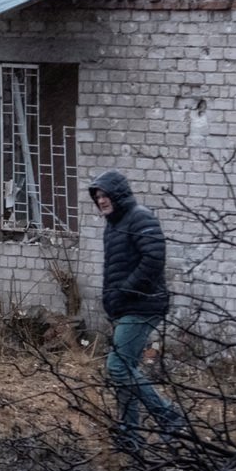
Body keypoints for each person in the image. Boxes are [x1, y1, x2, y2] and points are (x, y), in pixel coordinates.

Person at [87, 170, 184, 451]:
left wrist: (125, 292)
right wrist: (113, 301)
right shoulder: (113, 224)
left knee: (118, 367)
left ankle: (170, 417)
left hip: (144, 304)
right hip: (126, 306)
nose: (102, 201)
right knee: (125, 368)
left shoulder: (139, 217)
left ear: (118, 194)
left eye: (106, 195)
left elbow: (154, 259)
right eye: (98, 197)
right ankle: (130, 434)